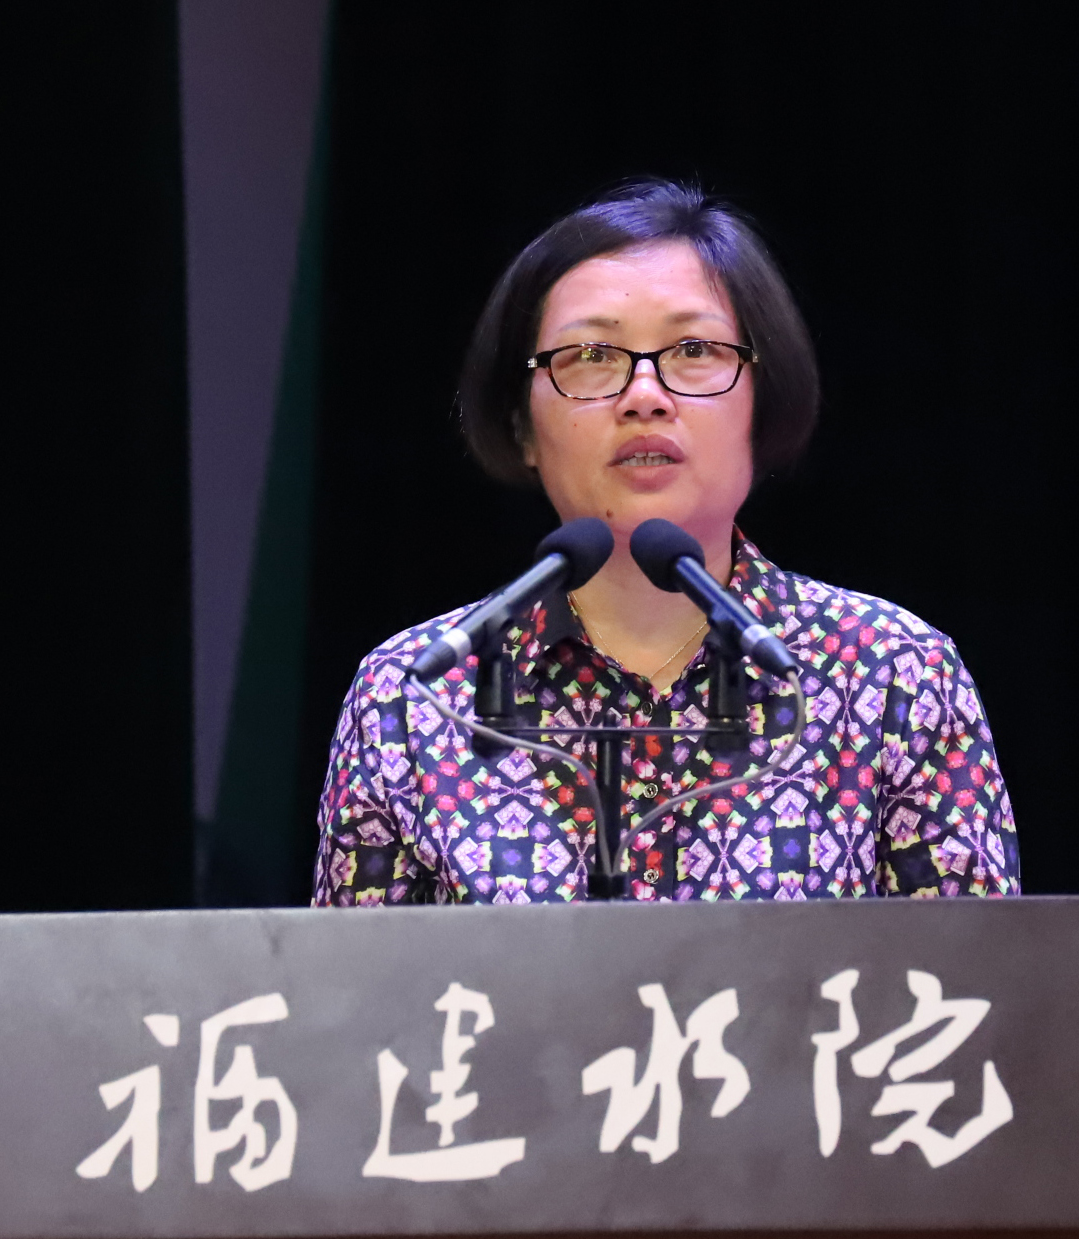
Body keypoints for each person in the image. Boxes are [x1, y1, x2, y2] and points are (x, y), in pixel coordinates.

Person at [312, 180, 1019, 906]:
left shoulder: (893, 673)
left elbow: (972, 972)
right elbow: (357, 981)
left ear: (762, 402)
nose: (644, 395)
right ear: (522, 425)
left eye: (693, 349)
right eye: (591, 354)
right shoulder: (415, 694)